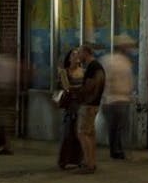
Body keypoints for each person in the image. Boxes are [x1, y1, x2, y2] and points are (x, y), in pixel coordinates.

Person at [100, 37, 137, 160]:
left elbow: (104, 81)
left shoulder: (106, 60)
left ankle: (115, 150)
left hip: (110, 99)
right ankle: (118, 150)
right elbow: (130, 81)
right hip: (122, 98)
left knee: (113, 127)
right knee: (119, 127)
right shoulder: (126, 62)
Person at [74, 44, 106, 174]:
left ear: (86, 53)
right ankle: (92, 162)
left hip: (88, 104)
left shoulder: (92, 67)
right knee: (90, 134)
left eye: (80, 53)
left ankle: (88, 163)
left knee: (82, 133)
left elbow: (90, 86)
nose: (78, 56)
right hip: (95, 104)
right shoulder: (97, 66)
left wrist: (78, 92)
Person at [56, 47, 86, 170]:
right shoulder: (65, 72)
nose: (75, 57)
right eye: (73, 55)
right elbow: (66, 87)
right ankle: (64, 160)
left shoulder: (83, 71)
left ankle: (78, 159)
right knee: (68, 132)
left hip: (81, 104)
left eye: (77, 54)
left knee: (79, 133)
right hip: (70, 105)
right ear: (69, 58)